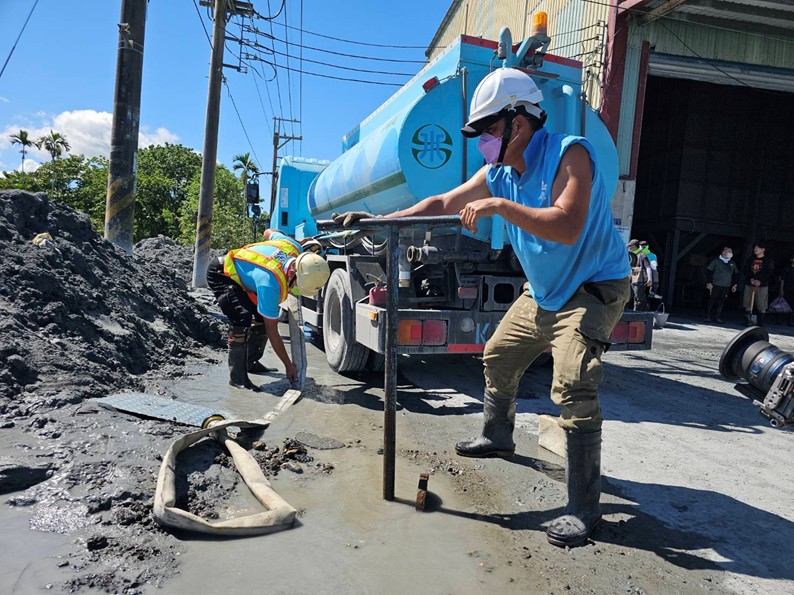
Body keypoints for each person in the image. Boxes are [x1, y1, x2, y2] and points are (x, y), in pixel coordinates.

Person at [333, 67, 630, 549]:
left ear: (520, 122)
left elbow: (567, 224)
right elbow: (443, 201)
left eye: (489, 130)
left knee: (573, 382)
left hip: (593, 286)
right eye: (481, 133)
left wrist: (497, 207)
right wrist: (381, 219)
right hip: (547, 289)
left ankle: (583, 509)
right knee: (497, 355)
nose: (484, 143)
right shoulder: (498, 173)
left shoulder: (570, 152)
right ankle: (498, 435)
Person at [207, 230, 329, 390]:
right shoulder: (270, 284)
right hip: (222, 273)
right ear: (293, 273)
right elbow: (273, 332)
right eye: (296, 286)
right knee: (242, 317)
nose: (294, 289)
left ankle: (251, 362)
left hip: (243, 275)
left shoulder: (293, 246)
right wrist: (288, 365)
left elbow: (267, 232)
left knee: (260, 316)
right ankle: (237, 378)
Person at [741, 241, 774, 327]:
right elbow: (745, 270)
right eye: (755, 247)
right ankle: (748, 321)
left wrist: (760, 281)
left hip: (762, 285)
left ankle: (761, 323)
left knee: (762, 305)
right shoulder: (750, 259)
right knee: (747, 303)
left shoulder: (768, 260)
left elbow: (769, 273)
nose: (755, 249)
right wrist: (750, 279)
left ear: (763, 249)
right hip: (750, 284)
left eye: (757, 247)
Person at [705, 246, 738, 323]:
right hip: (715, 284)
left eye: (731, 252)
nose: (730, 254)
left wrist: (735, 285)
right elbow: (709, 272)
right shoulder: (716, 261)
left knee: (721, 302)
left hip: (726, 286)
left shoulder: (732, 263)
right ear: (723, 252)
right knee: (712, 300)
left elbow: (735, 274)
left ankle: (718, 316)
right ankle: (708, 316)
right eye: (728, 252)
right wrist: (709, 282)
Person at [628, 239, 653, 311]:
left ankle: (645, 312)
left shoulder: (642, 255)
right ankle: (635, 311)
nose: (629, 248)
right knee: (630, 296)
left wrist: (649, 278)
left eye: (630, 246)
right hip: (632, 279)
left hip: (639, 280)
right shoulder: (632, 255)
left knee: (639, 297)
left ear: (634, 246)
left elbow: (648, 266)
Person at [777, 256, 794, 326]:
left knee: (792, 305)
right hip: (786, 288)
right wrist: (781, 290)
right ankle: (779, 319)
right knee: (782, 304)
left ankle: (790, 321)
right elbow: (782, 280)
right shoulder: (786, 269)